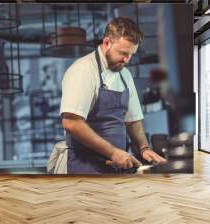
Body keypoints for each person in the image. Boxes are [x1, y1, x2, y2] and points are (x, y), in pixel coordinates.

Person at [60, 17, 167, 174]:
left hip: (115, 167)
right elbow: (71, 123)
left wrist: (144, 148)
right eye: (123, 53)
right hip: (86, 168)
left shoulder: (125, 74)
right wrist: (114, 152)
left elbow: (133, 119)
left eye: (131, 54)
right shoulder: (83, 71)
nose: (126, 59)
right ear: (107, 43)